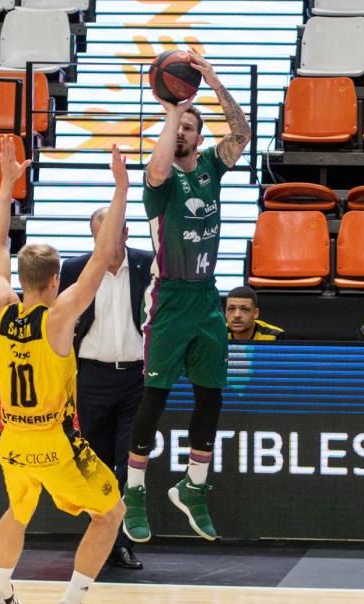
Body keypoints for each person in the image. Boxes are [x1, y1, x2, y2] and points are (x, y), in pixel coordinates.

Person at [0, 135, 128, 604]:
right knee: (111, 514)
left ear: (23, 278)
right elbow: (105, 253)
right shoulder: (59, 317)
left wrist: (6, 185)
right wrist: (121, 190)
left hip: (13, 438)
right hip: (52, 439)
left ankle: (1, 595)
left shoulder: (3, 307)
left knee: (17, 511)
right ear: (54, 279)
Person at [123, 47, 251, 544]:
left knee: (210, 398)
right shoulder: (160, 181)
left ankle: (193, 487)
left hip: (205, 297)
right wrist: (173, 109)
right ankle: (135, 490)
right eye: (177, 127)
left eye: (190, 129)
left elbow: (241, 134)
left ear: (199, 138)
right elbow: (154, 171)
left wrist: (212, 83)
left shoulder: (211, 170)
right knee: (152, 400)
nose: (182, 133)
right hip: (169, 299)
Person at [59, 211, 153, 570]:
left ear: (126, 233)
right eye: (100, 237)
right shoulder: (74, 269)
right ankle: (100, 542)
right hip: (91, 378)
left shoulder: (148, 265)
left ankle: (123, 543)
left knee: (130, 463)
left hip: (136, 379)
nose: (108, 245)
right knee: (94, 465)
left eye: (113, 236)